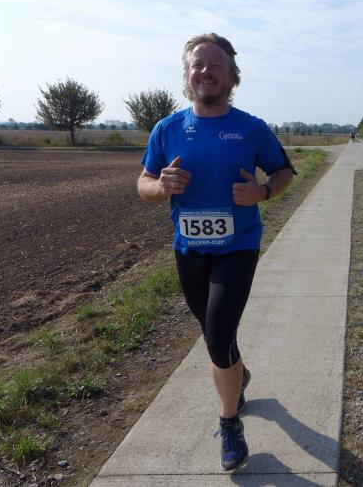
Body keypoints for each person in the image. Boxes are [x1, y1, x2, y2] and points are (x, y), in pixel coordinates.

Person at [137, 33, 295, 471]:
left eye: (215, 66)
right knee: (215, 334)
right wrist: (160, 186)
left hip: (237, 248)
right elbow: (143, 184)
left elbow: (284, 172)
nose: (205, 72)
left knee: (218, 336)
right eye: (197, 65)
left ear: (231, 76)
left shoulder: (251, 128)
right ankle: (237, 372)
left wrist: (263, 192)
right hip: (189, 251)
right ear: (187, 74)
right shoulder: (167, 129)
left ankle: (229, 423)